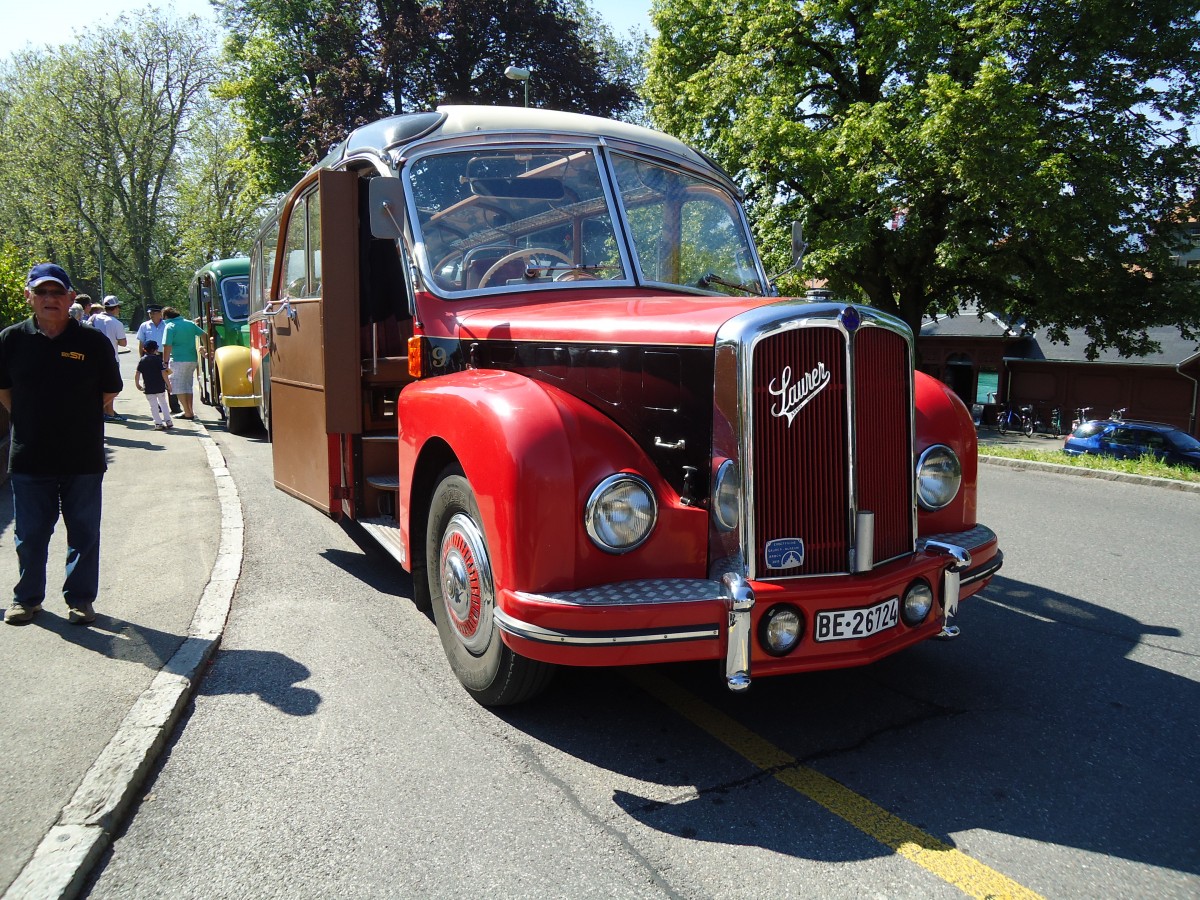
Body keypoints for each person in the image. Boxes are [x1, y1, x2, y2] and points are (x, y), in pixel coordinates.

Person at [0, 263, 122, 626]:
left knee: (84, 533)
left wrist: (73, 420)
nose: (49, 299)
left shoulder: (92, 342)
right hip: (29, 456)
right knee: (30, 535)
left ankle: (80, 600)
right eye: (42, 292)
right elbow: (4, 390)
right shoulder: (11, 340)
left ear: (71, 298)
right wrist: (30, 419)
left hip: (82, 456)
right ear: (29, 297)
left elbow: (110, 389)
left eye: (57, 292)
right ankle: (27, 599)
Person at [161, 307, 206, 420]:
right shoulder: (189, 324)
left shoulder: (170, 326)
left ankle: (187, 412)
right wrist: (205, 347)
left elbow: (167, 345)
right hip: (192, 359)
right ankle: (189, 410)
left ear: (166, 316)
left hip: (177, 359)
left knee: (177, 386)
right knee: (187, 385)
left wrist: (165, 362)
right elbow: (204, 334)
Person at [91, 295, 129, 419]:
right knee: (113, 387)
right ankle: (104, 411)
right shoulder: (116, 323)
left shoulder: (94, 318)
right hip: (111, 358)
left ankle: (108, 411)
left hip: (93, 357)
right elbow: (123, 342)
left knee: (99, 386)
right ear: (116, 308)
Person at [135, 340, 174, 430]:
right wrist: (169, 385)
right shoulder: (158, 360)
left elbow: (137, 373)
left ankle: (158, 423)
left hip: (148, 387)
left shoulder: (142, 360)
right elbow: (164, 373)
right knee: (163, 403)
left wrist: (137, 384)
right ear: (156, 349)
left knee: (153, 406)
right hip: (159, 386)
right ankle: (168, 421)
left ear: (144, 349)